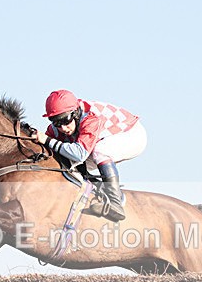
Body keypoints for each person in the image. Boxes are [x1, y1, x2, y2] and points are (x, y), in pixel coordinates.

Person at [32, 89, 146, 222]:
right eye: (56, 122)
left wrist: (46, 140)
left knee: (97, 151)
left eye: (65, 120)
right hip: (100, 140)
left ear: (75, 113)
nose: (62, 127)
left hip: (132, 134)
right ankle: (101, 189)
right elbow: (49, 148)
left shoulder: (90, 118)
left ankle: (116, 202)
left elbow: (79, 154)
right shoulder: (57, 128)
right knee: (67, 161)